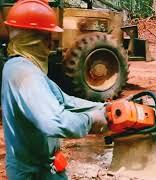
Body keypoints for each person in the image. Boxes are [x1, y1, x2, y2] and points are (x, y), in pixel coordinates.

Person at [2, 0, 109, 179]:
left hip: (41, 167)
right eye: (47, 39)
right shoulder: (23, 73)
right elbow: (54, 121)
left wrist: (103, 108)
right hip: (34, 174)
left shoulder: (25, 68)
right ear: (32, 39)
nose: (51, 46)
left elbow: (65, 100)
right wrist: (90, 120)